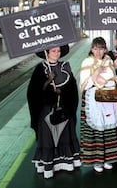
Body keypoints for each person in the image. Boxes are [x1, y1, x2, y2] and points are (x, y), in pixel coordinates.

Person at [27, 45, 81, 179]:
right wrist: (48, 83)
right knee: (48, 137)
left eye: (58, 51)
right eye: (53, 51)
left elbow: (73, 88)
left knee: (64, 135)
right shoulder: (40, 69)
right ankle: (49, 165)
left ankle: (66, 162)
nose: (56, 53)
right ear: (47, 52)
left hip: (64, 109)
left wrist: (62, 95)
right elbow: (33, 92)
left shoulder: (65, 66)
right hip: (46, 111)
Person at [79, 37, 117, 172]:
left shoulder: (108, 60)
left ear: (105, 50)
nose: (98, 52)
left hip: (108, 100)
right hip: (93, 100)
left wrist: (115, 67)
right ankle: (97, 161)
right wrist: (95, 75)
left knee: (109, 130)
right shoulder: (87, 62)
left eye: (101, 49)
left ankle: (109, 158)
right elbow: (84, 83)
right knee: (95, 131)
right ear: (92, 49)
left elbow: (114, 78)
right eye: (95, 48)